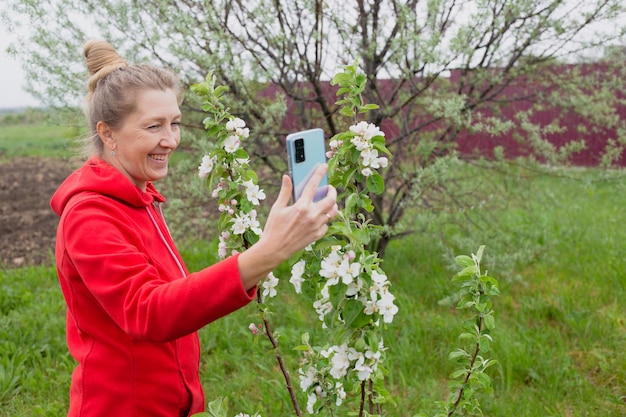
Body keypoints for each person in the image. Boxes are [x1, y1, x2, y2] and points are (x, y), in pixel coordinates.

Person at [50, 40, 338, 417]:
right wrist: (269, 252)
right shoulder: (90, 215)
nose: (170, 140)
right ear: (107, 134)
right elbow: (148, 310)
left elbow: (171, 298)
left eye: (175, 123)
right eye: (153, 126)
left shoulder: (139, 197)